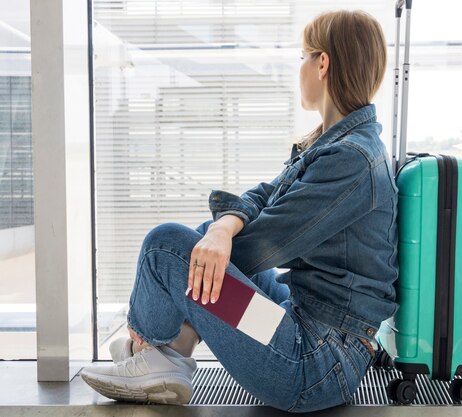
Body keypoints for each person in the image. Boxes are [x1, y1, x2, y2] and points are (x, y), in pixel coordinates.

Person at [81, 9, 399, 413]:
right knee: (203, 241)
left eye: (303, 56)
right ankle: (166, 358)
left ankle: (149, 346)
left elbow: (265, 243)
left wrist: (217, 241)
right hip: (311, 329)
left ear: (323, 63)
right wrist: (222, 228)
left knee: (166, 246)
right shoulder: (335, 144)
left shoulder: (352, 160)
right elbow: (265, 196)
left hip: (312, 362)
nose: (299, 67)